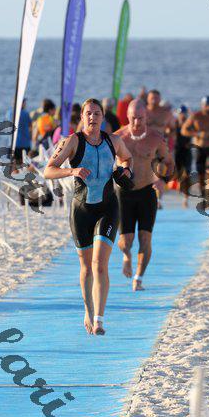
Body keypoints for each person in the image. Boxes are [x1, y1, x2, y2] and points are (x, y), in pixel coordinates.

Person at [44, 98, 133, 336]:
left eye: (97, 113)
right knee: (86, 267)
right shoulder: (72, 141)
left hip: (108, 208)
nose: (92, 117)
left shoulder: (114, 141)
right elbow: (48, 170)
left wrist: (125, 170)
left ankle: (99, 319)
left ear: (103, 117)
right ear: (82, 117)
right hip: (81, 210)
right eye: (88, 113)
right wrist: (72, 170)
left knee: (99, 265)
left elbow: (127, 158)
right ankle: (88, 310)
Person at [116, 99, 174, 291]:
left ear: (146, 116)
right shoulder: (118, 138)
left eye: (140, 118)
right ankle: (126, 255)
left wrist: (163, 180)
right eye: (133, 118)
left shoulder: (155, 138)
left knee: (145, 238)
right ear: (127, 116)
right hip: (123, 193)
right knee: (126, 241)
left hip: (147, 192)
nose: (136, 122)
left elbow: (169, 163)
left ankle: (138, 278)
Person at [146, 90, 176, 208]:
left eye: (156, 98)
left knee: (160, 171)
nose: (154, 100)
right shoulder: (143, 111)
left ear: (159, 99)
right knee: (145, 173)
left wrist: (169, 137)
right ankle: (147, 197)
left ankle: (158, 200)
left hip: (160, 146)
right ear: (147, 99)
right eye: (152, 98)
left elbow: (173, 128)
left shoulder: (166, 113)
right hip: (145, 146)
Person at [175, 105, 192, 206]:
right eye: (181, 114)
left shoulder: (189, 124)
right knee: (178, 173)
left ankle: (186, 198)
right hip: (177, 151)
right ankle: (180, 185)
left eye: (184, 114)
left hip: (187, 152)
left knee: (187, 174)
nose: (182, 116)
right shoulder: (174, 124)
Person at [7, 98, 32, 163]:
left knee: (14, 163)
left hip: (13, 143)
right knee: (25, 162)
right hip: (25, 143)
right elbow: (30, 126)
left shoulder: (9, 113)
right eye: (24, 103)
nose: (25, 104)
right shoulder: (25, 113)